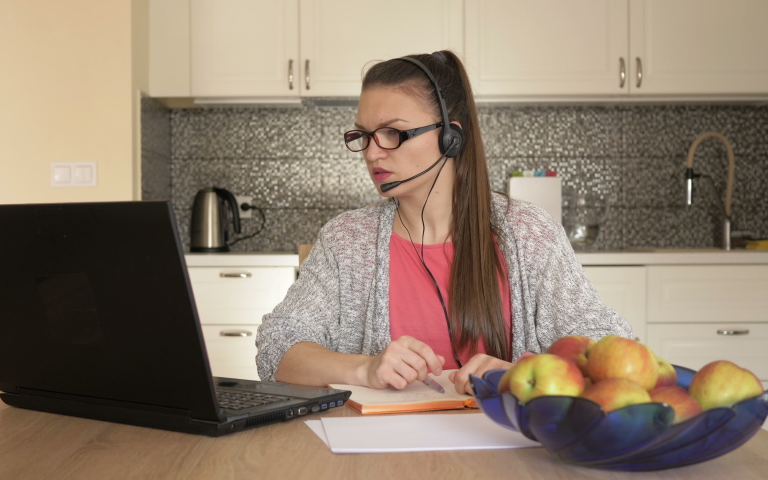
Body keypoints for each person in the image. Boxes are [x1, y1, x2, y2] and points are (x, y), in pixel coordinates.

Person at [255, 51, 633, 395]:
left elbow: (611, 350)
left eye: (392, 133)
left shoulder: (528, 232)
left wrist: (521, 374)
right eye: (363, 135)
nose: (371, 153)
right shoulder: (346, 240)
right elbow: (277, 347)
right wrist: (366, 368)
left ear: (450, 137)